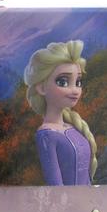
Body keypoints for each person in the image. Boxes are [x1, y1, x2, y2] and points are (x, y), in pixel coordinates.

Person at [23, 40, 97, 185]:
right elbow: (56, 186)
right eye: (63, 82)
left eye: (78, 82)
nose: (75, 90)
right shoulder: (47, 135)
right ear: (42, 88)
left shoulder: (72, 127)